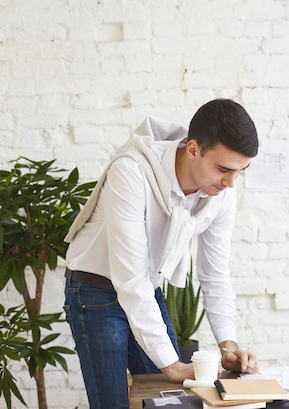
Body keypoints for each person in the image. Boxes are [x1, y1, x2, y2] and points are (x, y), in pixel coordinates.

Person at [63, 99, 260, 409]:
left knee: (170, 402)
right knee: (113, 404)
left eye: (240, 171)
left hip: (146, 289)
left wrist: (228, 345)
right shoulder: (131, 172)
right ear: (193, 149)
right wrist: (172, 365)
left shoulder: (223, 192)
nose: (231, 182)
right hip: (94, 292)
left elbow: (214, 274)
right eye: (223, 169)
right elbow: (130, 277)